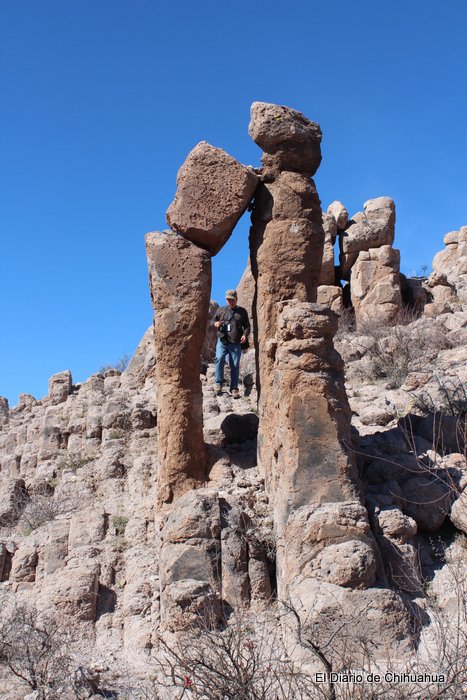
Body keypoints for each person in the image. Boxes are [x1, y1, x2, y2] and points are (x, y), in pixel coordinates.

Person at [213, 289, 250, 398]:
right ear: (226, 299)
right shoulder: (220, 310)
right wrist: (215, 323)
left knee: (234, 365)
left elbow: (247, 326)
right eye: (228, 300)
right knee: (219, 358)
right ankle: (218, 383)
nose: (230, 302)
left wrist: (245, 335)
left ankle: (234, 388)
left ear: (236, 299)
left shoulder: (242, 311)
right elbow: (212, 321)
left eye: (232, 300)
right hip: (222, 340)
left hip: (235, 342)